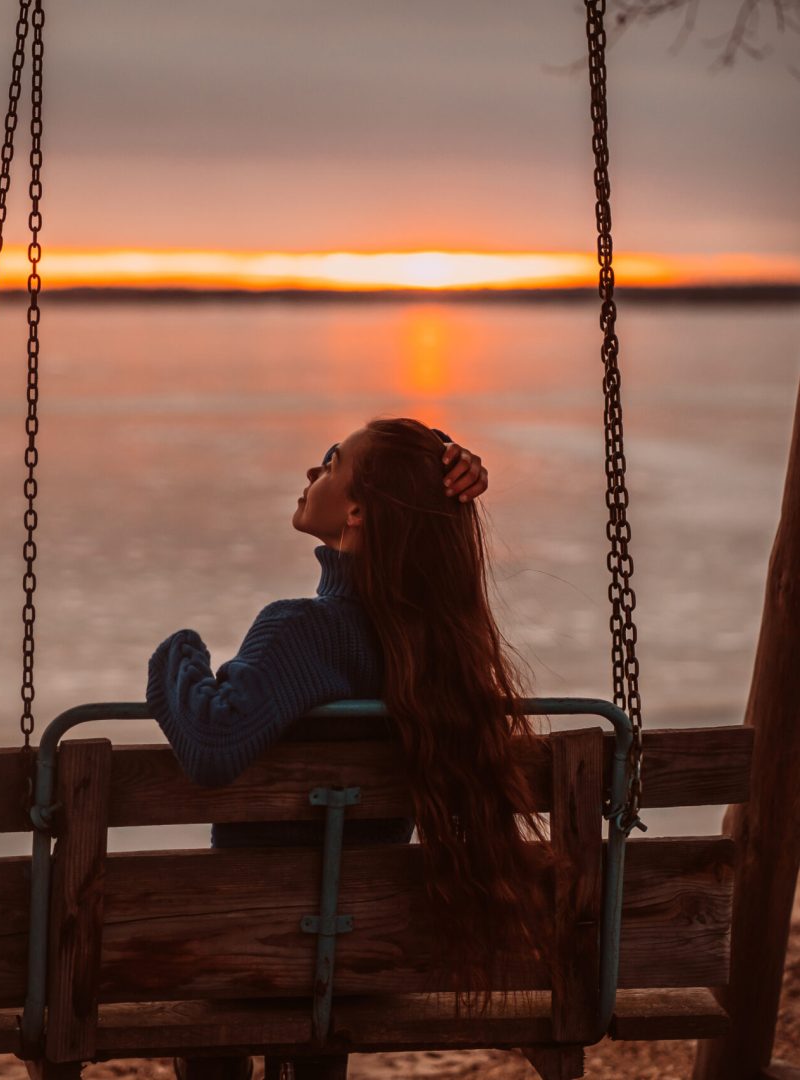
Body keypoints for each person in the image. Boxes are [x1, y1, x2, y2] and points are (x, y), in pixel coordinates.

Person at [147, 418, 557, 1080]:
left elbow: (213, 746)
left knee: (221, 947)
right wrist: (437, 468)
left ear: (360, 510)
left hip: (244, 946)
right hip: (370, 948)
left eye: (331, 462)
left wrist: (180, 652)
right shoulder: (439, 648)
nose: (312, 474)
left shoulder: (301, 631)